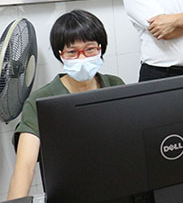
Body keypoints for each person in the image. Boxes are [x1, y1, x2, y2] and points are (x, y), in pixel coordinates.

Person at [7, 10, 125, 199]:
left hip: (118, 187)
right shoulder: (41, 100)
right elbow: (25, 166)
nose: (82, 58)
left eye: (90, 49)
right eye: (72, 52)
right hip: (71, 193)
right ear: (60, 54)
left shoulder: (115, 85)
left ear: (100, 48)